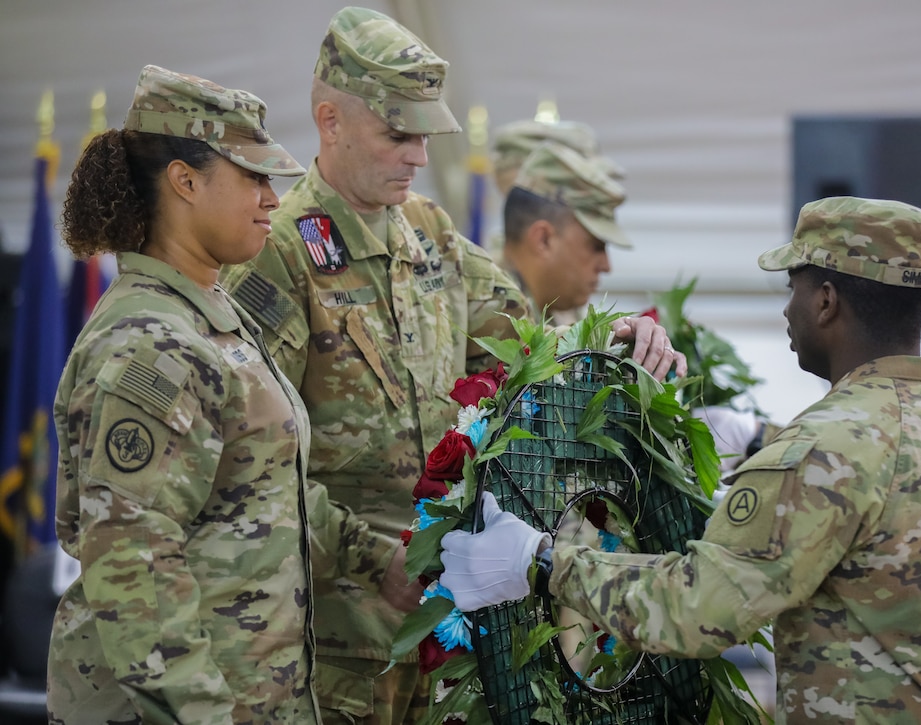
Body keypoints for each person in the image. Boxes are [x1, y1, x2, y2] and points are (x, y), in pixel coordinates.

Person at [218, 8, 684, 723]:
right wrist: (374, 558)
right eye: (397, 134)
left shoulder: (431, 238)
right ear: (330, 122)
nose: (417, 155)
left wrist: (616, 349)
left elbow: (532, 354)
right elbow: (249, 464)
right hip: (328, 644)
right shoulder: (276, 255)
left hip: (443, 634)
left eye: (424, 136)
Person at [441, 196, 921, 722]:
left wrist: (539, 561)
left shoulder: (825, 446)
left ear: (825, 301)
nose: (787, 311)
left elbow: (702, 605)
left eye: (792, 288)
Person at [48, 65, 417, 724]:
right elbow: (133, 566)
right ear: (185, 181)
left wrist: (377, 560)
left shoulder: (215, 315)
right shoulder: (151, 343)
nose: (273, 199)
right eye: (252, 177)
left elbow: (269, 487)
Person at [502, 141, 631, 324]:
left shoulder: (543, 313)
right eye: (596, 246)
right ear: (543, 240)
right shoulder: (489, 313)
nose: (606, 266)